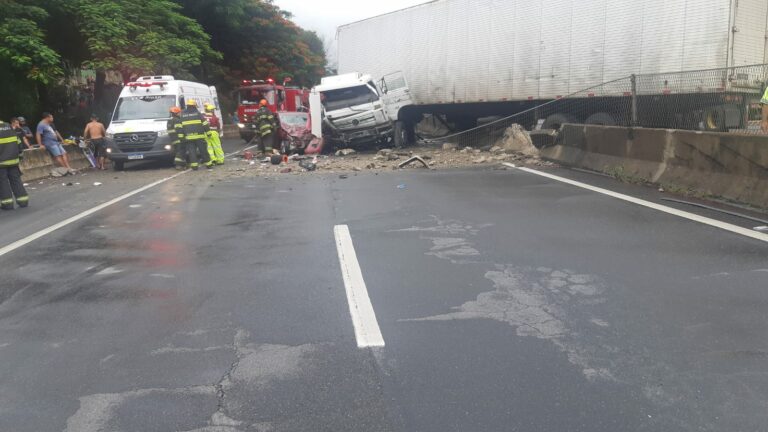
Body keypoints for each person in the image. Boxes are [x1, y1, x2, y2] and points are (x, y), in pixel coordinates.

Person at [0, 120, 29, 210]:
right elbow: (18, 142)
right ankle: (23, 201)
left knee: (3, 182)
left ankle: (7, 204)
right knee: (16, 181)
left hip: (1, 163)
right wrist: (20, 156)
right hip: (13, 161)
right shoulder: (8, 126)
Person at [177, 99, 211, 170]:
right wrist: (208, 133)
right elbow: (205, 124)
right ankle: (208, 164)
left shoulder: (182, 115)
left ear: (187, 106)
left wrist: (181, 137)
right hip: (199, 137)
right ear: (194, 106)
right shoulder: (198, 113)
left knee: (192, 152)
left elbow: (180, 127)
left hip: (188, 137)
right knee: (203, 151)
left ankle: (194, 166)